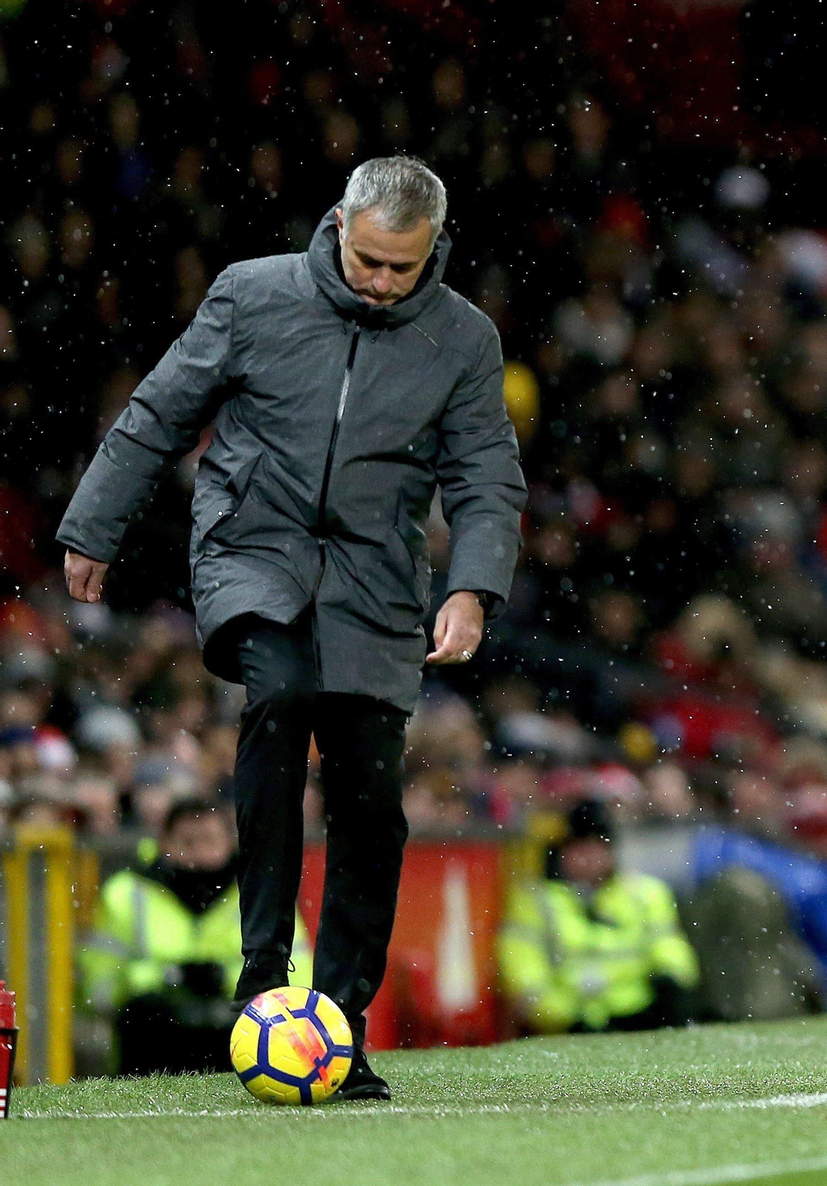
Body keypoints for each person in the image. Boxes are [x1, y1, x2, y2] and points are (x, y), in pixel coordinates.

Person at [58, 157, 528, 1099]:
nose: (382, 283)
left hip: (375, 574)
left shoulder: (464, 338)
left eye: (403, 268)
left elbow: (486, 477)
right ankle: (264, 980)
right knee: (279, 695)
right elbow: (160, 412)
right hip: (252, 546)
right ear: (340, 225)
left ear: (434, 248)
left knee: (368, 793)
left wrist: (472, 588)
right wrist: (92, 528)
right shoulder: (253, 294)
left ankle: (341, 1025)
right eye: (367, 261)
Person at [80, 797, 311, 1076]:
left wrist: (223, 980)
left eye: (209, 840)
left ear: (230, 842)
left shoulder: (263, 895)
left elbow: (296, 983)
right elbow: (98, 989)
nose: (199, 852)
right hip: (153, 1039)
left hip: (242, 1034)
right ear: (164, 843)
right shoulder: (124, 895)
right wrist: (167, 979)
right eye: (187, 842)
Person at [498, 799, 699, 1033]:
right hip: (571, 1026)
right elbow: (524, 975)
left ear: (611, 851)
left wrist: (672, 984)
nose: (588, 856)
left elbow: (670, 948)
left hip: (641, 1016)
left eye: (597, 847)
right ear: (562, 853)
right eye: (579, 848)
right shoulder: (535, 902)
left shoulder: (646, 893)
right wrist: (566, 1018)